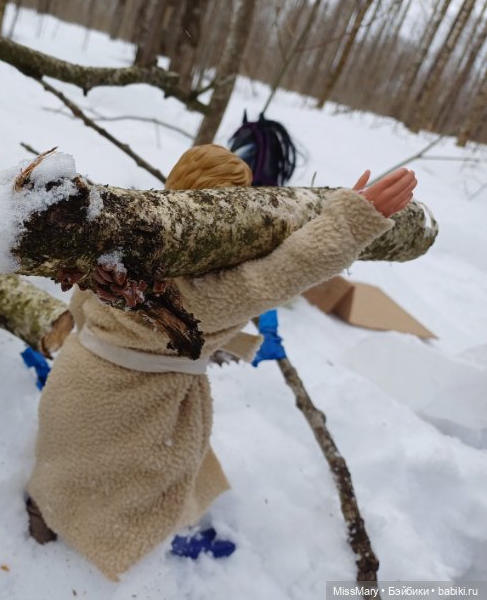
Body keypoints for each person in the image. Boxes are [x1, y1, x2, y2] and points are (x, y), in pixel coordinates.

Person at [26, 144, 417, 580]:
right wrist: (349, 222)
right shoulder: (205, 294)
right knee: (145, 475)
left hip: (77, 377)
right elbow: (288, 269)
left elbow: (80, 306)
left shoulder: (122, 249)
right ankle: (127, 533)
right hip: (135, 405)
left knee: (66, 461)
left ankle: (44, 508)